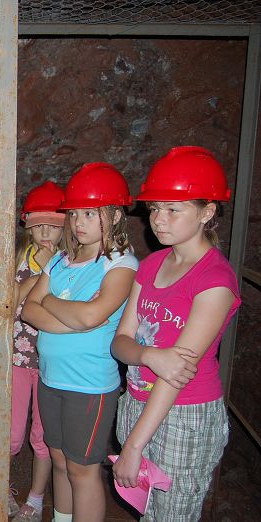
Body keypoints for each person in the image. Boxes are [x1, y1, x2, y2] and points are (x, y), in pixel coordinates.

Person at [111, 146, 240, 521]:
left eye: (172, 209)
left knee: (172, 515)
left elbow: (176, 374)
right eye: (154, 209)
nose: (158, 220)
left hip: (183, 414)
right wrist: (148, 355)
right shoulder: (151, 264)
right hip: (138, 400)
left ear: (207, 212)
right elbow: (120, 342)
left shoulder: (214, 280)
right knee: (148, 510)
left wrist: (134, 445)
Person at [21, 163, 138, 522]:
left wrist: (52, 303)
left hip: (89, 386)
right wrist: (71, 317)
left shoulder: (121, 265)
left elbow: (91, 316)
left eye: (90, 213)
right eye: (74, 214)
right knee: (58, 460)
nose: (78, 222)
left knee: (82, 470)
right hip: (50, 378)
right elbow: (29, 310)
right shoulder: (60, 260)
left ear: (115, 215)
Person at [10, 181, 65, 522]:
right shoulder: (17, 257)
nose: (45, 232)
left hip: (50, 362)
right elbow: (9, 302)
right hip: (17, 358)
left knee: (42, 436)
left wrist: (52, 268)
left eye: (53, 225)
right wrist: (41, 273)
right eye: (39, 224)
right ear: (28, 226)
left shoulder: (71, 261)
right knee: (12, 433)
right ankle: (0, 487)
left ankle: (36, 498)